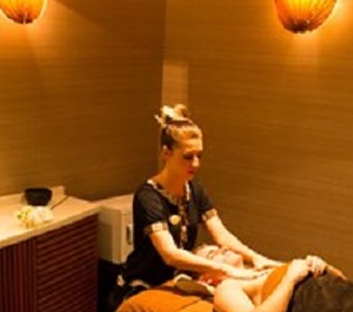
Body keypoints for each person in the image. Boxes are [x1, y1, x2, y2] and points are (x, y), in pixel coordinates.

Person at [119, 105, 281, 294]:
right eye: (188, 157)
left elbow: (222, 236)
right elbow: (170, 255)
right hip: (145, 283)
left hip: (178, 277)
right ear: (166, 153)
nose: (195, 164)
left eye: (199, 156)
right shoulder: (148, 196)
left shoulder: (194, 189)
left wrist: (254, 258)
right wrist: (226, 269)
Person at [174, 245, 340, 312]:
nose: (223, 249)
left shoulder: (262, 269)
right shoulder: (228, 287)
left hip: (342, 301)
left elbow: (342, 283)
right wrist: (290, 279)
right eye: (213, 254)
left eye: (219, 247)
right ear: (206, 279)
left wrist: (324, 267)